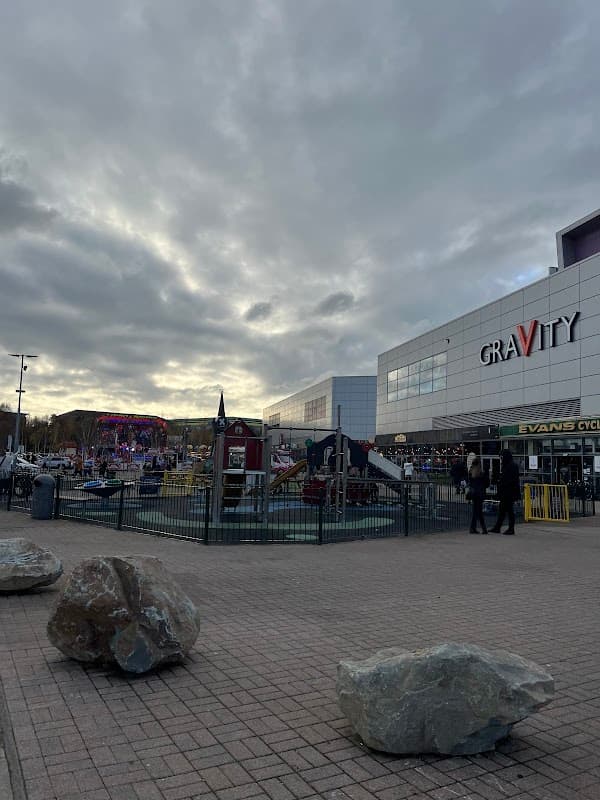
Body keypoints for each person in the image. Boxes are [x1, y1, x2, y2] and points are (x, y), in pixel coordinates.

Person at [490, 449, 520, 535]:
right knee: (503, 510)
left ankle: (510, 528)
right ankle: (498, 527)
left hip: (509, 492)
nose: (501, 459)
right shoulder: (508, 465)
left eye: (502, 457)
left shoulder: (511, 466)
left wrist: (501, 482)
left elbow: (509, 480)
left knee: (509, 510)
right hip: (507, 492)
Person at [467, 458, 489, 534]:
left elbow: (470, 483)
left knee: (476, 511)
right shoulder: (481, 473)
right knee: (478, 511)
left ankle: (474, 528)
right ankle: (482, 528)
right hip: (480, 493)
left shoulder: (471, 473)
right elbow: (487, 484)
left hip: (474, 494)